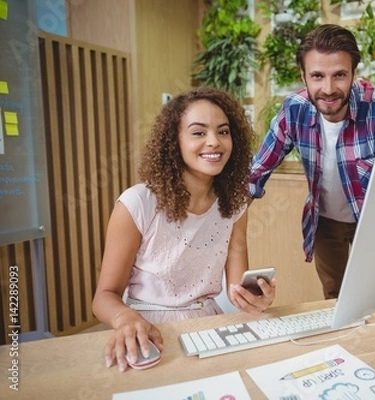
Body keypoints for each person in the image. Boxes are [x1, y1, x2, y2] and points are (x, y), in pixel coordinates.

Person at [249, 24, 375, 303]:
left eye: (339, 75)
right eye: (317, 76)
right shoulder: (294, 109)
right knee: (336, 299)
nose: (328, 88)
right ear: (304, 76)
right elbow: (255, 173)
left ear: (353, 74)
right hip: (324, 222)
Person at [92, 87, 276, 372]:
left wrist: (256, 299)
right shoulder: (137, 203)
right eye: (198, 133)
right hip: (145, 329)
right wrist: (124, 319)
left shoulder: (235, 204)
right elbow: (104, 296)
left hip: (208, 325)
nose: (214, 142)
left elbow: (237, 290)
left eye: (223, 132)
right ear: (173, 141)